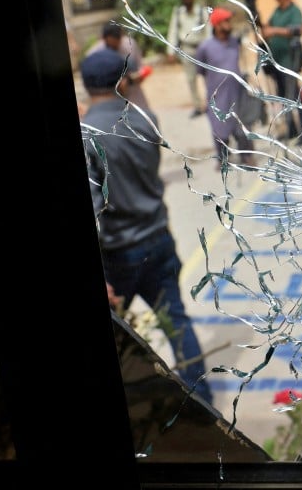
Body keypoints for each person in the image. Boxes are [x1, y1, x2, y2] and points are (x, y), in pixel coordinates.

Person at [79, 48, 214, 405]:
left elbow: (94, 205)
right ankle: (202, 401)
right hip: (157, 240)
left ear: (84, 84)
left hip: (117, 253)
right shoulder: (145, 119)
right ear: (123, 81)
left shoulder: (87, 133)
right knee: (176, 322)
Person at [195, 7, 255, 167]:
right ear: (217, 24)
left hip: (238, 92)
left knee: (243, 126)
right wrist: (202, 97)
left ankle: (246, 157)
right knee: (219, 128)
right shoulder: (205, 48)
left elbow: (244, 63)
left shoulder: (235, 42)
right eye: (225, 21)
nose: (229, 24)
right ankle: (223, 159)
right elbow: (199, 74)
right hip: (217, 96)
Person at [260, 0, 302, 144]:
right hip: (277, 61)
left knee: (293, 97)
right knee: (284, 96)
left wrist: (274, 31)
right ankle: (292, 129)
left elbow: (299, 29)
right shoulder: (277, 11)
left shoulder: (293, 10)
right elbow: (267, 27)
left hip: (290, 61)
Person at [86, 22, 152, 111]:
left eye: (117, 44)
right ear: (103, 38)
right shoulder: (94, 55)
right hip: (111, 103)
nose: (114, 48)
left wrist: (135, 78)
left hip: (134, 97)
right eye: (111, 46)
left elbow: (141, 68)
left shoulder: (130, 45)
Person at [166, 0, 208, 118]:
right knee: (191, 79)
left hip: (202, 47)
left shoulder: (201, 11)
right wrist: (170, 51)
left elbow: (208, 31)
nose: (186, 1)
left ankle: (211, 104)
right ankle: (197, 106)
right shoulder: (178, 13)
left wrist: (209, 49)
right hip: (187, 48)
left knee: (207, 77)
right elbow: (173, 31)